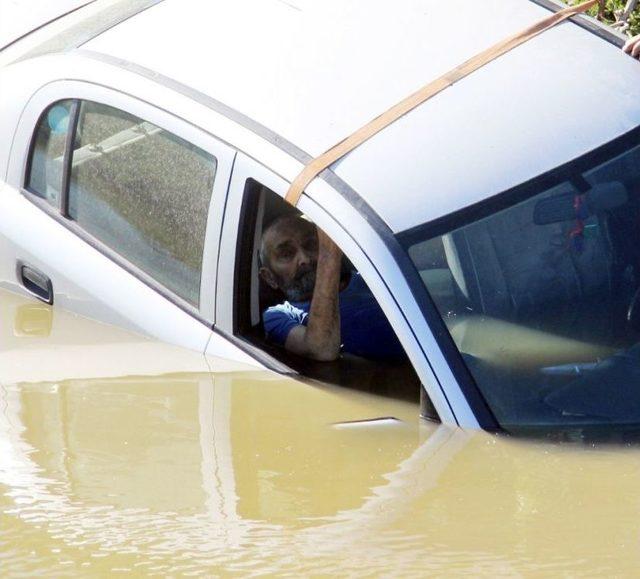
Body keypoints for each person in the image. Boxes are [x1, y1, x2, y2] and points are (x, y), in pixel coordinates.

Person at [259, 215, 406, 362]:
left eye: (310, 244)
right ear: (269, 278)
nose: (304, 259)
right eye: (287, 254)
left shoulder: (374, 279)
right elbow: (321, 350)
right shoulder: (278, 316)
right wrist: (329, 254)